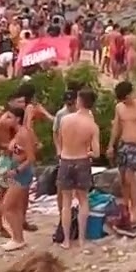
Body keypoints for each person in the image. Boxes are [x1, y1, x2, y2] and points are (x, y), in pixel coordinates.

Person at [53, 89, 98, 250]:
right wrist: (88, 152)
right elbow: (97, 152)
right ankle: (81, 240)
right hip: (82, 161)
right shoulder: (92, 125)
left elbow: (61, 140)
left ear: (79, 101)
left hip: (66, 160)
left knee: (66, 202)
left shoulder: (65, 120)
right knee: (83, 200)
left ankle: (66, 240)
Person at [107, 81, 136, 224]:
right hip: (123, 144)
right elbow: (116, 127)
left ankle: (134, 208)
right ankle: (125, 206)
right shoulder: (119, 108)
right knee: (122, 178)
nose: (126, 101)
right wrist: (111, 146)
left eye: (127, 98)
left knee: (130, 177)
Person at [0, 107, 35, 252]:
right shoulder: (18, 133)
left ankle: (17, 238)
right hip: (16, 171)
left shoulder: (24, 134)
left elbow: (31, 158)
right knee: (15, 207)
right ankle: (18, 238)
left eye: (9, 117)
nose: (6, 120)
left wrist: (16, 170)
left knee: (6, 206)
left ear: (17, 119)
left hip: (21, 174)